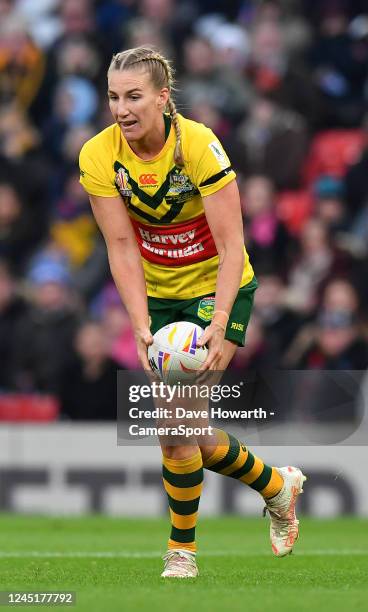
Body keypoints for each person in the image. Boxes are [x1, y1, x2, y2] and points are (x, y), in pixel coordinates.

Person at [79, 46, 306, 578]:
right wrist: (139, 324)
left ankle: (183, 551)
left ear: (163, 96)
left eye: (134, 96)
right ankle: (278, 487)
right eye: (114, 97)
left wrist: (220, 322)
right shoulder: (97, 155)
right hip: (158, 296)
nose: (122, 108)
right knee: (186, 429)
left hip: (217, 286)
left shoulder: (199, 145)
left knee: (175, 423)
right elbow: (120, 245)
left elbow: (232, 246)